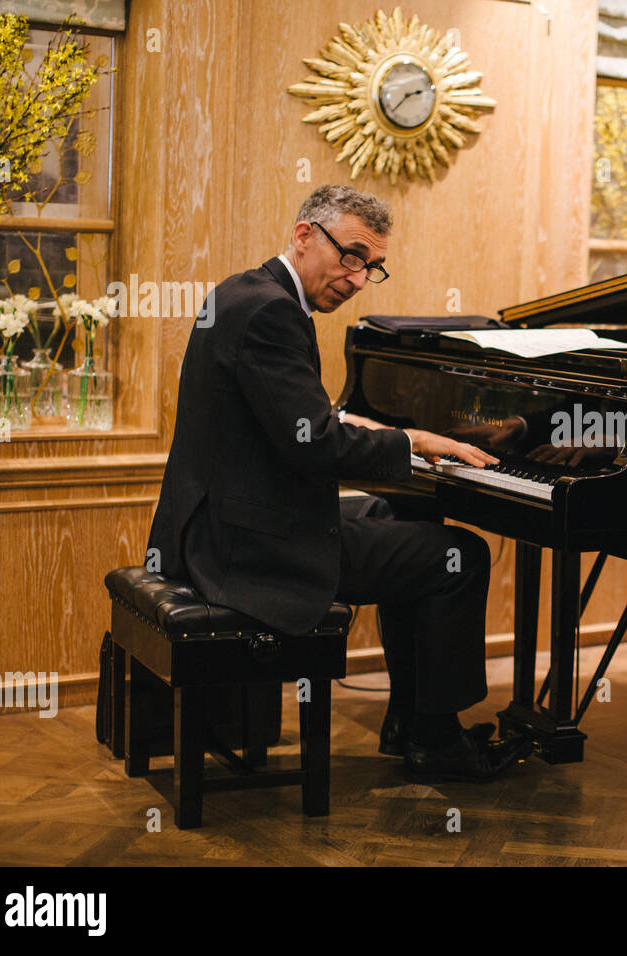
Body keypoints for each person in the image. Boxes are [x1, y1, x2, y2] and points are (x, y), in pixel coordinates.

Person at [146, 184, 529, 782]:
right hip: (248, 551)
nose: (356, 279)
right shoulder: (274, 312)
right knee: (462, 555)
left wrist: (361, 425)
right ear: (304, 235)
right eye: (351, 256)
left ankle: (409, 720)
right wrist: (413, 441)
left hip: (219, 524)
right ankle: (437, 740)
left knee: (399, 517)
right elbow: (313, 443)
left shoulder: (244, 292)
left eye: (371, 267)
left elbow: (289, 419)